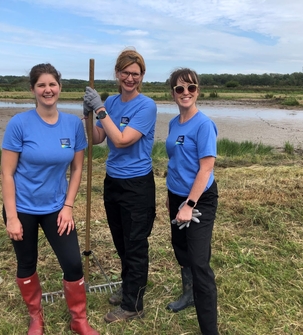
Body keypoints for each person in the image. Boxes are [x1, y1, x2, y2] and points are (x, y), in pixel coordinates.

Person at [1, 63, 99, 335]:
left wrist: (68, 207)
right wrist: (12, 217)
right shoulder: (19, 124)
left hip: (57, 208)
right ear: (33, 89)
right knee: (27, 263)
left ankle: (78, 319)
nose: (48, 90)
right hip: (22, 208)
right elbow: (7, 173)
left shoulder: (72, 124)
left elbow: (77, 168)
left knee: (73, 263)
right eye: (41, 85)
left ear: (60, 87)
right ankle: (36, 316)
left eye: (52, 84)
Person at [83, 48, 157, 323]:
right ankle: (129, 286)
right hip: (113, 181)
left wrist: (100, 109)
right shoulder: (112, 101)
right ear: (117, 74)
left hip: (137, 185)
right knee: (121, 242)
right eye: (125, 73)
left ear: (142, 76)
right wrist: (89, 116)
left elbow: (124, 139)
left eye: (135, 74)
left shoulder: (146, 106)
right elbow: (98, 139)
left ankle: (133, 305)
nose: (130, 78)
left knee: (135, 243)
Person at [165, 68, 220, 335]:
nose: (185, 93)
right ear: (173, 93)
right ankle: (188, 296)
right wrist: (172, 198)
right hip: (175, 196)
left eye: (191, 88)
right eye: (179, 88)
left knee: (199, 262)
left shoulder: (204, 125)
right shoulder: (174, 123)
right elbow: (175, 160)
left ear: (197, 91)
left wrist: (189, 204)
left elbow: (205, 169)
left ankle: (209, 330)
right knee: (181, 250)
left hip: (198, 200)